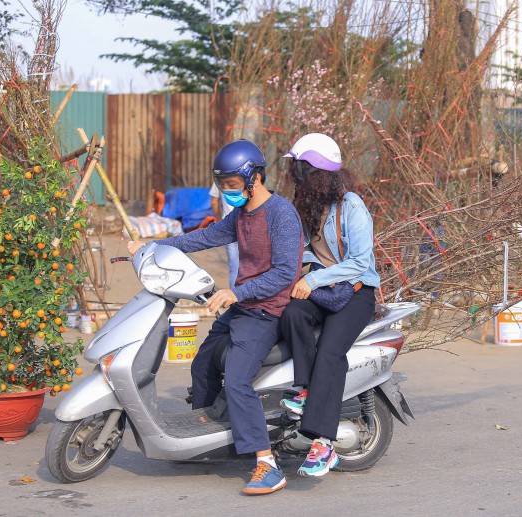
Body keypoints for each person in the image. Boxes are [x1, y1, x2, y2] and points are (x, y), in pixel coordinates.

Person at [128, 140, 302, 496]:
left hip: (267, 311)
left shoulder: (281, 214)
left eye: (233, 184)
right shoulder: (240, 217)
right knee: (202, 363)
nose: (227, 191)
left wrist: (237, 292)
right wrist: (153, 246)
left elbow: (286, 272)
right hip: (243, 307)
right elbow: (203, 237)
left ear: (254, 177)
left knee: (237, 380)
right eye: (223, 184)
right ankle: (208, 439)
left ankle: (267, 464)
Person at [277, 133, 380, 477]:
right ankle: (306, 388)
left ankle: (324, 443)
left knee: (330, 351)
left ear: (318, 172)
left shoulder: (351, 206)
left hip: (356, 292)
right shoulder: (310, 206)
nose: (297, 177)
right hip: (326, 289)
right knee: (292, 313)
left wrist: (312, 279)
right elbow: (307, 251)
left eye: (302, 170)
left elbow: (361, 263)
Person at [209, 183, 240, 289]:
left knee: (234, 267)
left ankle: (235, 300)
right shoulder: (248, 173)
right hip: (248, 224)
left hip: (229, 227)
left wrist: (219, 221)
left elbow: (214, 202)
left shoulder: (220, 177)